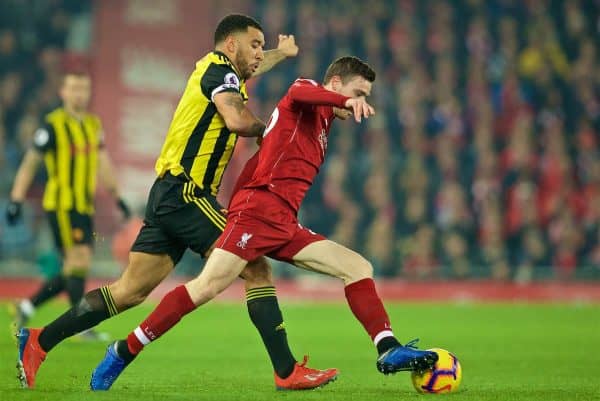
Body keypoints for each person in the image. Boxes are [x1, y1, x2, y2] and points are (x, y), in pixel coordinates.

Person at [16, 14, 337, 391]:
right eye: (253, 45)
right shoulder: (221, 72)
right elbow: (235, 118)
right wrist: (272, 129)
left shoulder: (218, 69)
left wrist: (279, 54)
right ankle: (286, 371)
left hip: (168, 194)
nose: (257, 54)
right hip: (188, 194)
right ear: (230, 45)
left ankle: (39, 340)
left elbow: (248, 71)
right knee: (256, 267)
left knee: (129, 291)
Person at [89, 56, 439, 391]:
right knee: (206, 287)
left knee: (358, 266)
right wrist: (345, 102)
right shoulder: (306, 93)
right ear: (334, 84)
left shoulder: (322, 124)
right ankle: (123, 350)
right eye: (358, 93)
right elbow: (300, 92)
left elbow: (262, 161)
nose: (360, 102)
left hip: (283, 220)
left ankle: (387, 347)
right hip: (258, 213)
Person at [6, 70, 131, 337]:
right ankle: (80, 326)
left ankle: (27, 306)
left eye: (83, 88)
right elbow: (30, 163)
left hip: (83, 206)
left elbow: (103, 162)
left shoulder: (92, 125)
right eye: (74, 88)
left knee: (73, 267)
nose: (79, 94)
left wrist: (117, 195)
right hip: (61, 205)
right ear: (63, 92)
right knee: (79, 260)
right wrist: (16, 198)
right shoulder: (52, 125)